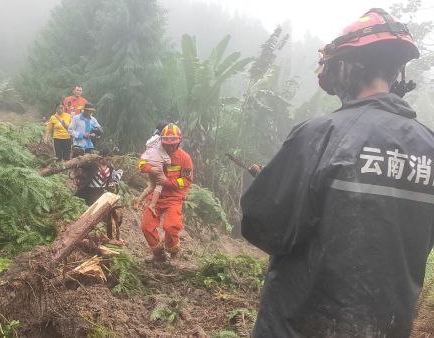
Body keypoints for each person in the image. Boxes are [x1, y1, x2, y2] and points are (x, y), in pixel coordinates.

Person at [241, 8, 434, 337]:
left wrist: (272, 187)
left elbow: (263, 226)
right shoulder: (429, 147)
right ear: (396, 70)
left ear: (346, 68)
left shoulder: (321, 134)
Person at [140, 123, 193, 262]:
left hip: (174, 197)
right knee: (146, 226)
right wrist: (149, 169)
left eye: (173, 144)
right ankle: (158, 254)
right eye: (166, 143)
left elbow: (186, 180)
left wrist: (168, 183)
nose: (169, 147)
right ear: (161, 141)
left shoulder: (185, 158)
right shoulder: (154, 151)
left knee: (171, 226)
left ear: (179, 142)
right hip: (155, 197)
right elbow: (141, 162)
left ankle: (173, 249)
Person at [73, 149, 124, 243]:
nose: (109, 161)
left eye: (110, 160)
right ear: (102, 156)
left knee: (109, 214)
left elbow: (114, 177)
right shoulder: (92, 165)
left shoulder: (110, 168)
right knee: (89, 213)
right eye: (107, 159)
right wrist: (77, 177)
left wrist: (113, 182)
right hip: (89, 192)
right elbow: (79, 168)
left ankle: (111, 237)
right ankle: (84, 234)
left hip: (102, 192)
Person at [135, 121, 170, 216]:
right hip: (157, 162)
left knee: (152, 185)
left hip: (149, 161)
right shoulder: (161, 139)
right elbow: (162, 151)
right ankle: (152, 205)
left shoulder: (153, 138)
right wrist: (168, 161)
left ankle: (138, 200)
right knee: (160, 184)